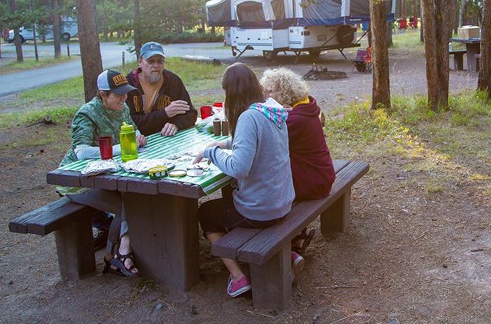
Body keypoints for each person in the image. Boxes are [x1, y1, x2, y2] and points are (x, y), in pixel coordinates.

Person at [194, 63, 295, 298]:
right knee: (230, 193)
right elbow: (261, 141)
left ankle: (238, 277)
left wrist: (211, 153)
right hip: (282, 201)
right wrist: (224, 144)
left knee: (207, 212)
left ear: (232, 91)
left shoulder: (249, 117)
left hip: (262, 210)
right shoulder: (271, 110)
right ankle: (286, 253)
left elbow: (239, 168)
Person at [58, 69, 146, 277]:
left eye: (125, 93)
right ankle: (121, 253)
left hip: (108, 176)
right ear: (103, 94)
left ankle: (113, 255)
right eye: (118, 94)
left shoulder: (122, 107)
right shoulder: (86, 113)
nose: (124, 98)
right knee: (133, 203)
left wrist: (139, 137)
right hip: (77, 182)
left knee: (137, 196)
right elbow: (81, 152)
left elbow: (132, 131)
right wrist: (123, 148)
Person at [260, 68, 336, 253]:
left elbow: (264, 146)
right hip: (320, 174)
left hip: (313, 182)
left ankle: (278, 242)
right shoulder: (305, 106)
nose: (266, 96)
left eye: (270, 91)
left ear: (285, 91)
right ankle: (297, 236)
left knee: (262, 187)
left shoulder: (295, 119)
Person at [126, 41, 197, 136]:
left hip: (166, 139)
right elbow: (131, 124)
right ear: (140, 62)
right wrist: (165, 113)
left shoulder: (173, 81)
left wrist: (176, 125)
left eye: (160, 61)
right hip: (138, 139)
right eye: (151, 61)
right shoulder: (129, 85)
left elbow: (191, 114)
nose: (156, 65)